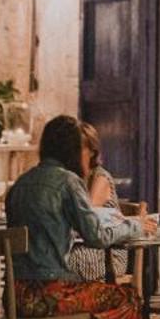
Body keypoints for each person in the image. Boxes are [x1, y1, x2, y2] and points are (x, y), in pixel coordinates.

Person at [6, 112, 157, 319]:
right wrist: (137, 225)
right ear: (74, 150)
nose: (91, 155)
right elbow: (98, 235)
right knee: (126, 300)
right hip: (52, 294)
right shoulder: (68, 182)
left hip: (17, 294)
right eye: (86, 149)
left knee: (85, 298)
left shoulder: (21, 184)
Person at [66, 121, 127, 283]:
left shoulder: (101, 177)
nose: (72, 153)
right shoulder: (73, 177)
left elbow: (86, 216)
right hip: (82, 244)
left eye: (77, 148)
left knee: (67, 260)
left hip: (107, 252)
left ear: (92, 152)